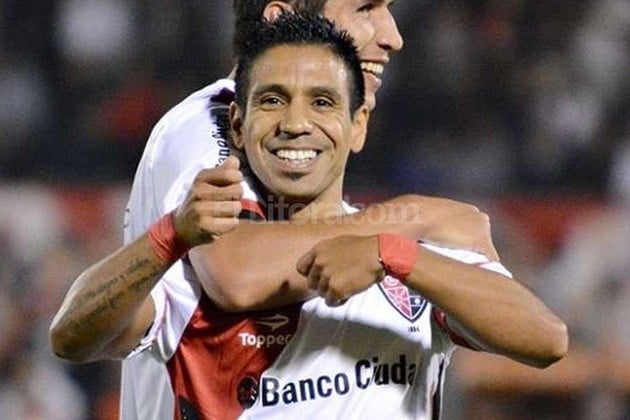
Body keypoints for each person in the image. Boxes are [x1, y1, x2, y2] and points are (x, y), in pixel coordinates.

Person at [53, 12, 567, 419]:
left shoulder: (411, 261)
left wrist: (395, 255)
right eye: (273, 100)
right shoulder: (199, 275)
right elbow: (71, 336)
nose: (296, 123)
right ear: (237, 126)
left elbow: (546, 339)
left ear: (358, 125)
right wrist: (167, 237)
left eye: (322, 102)